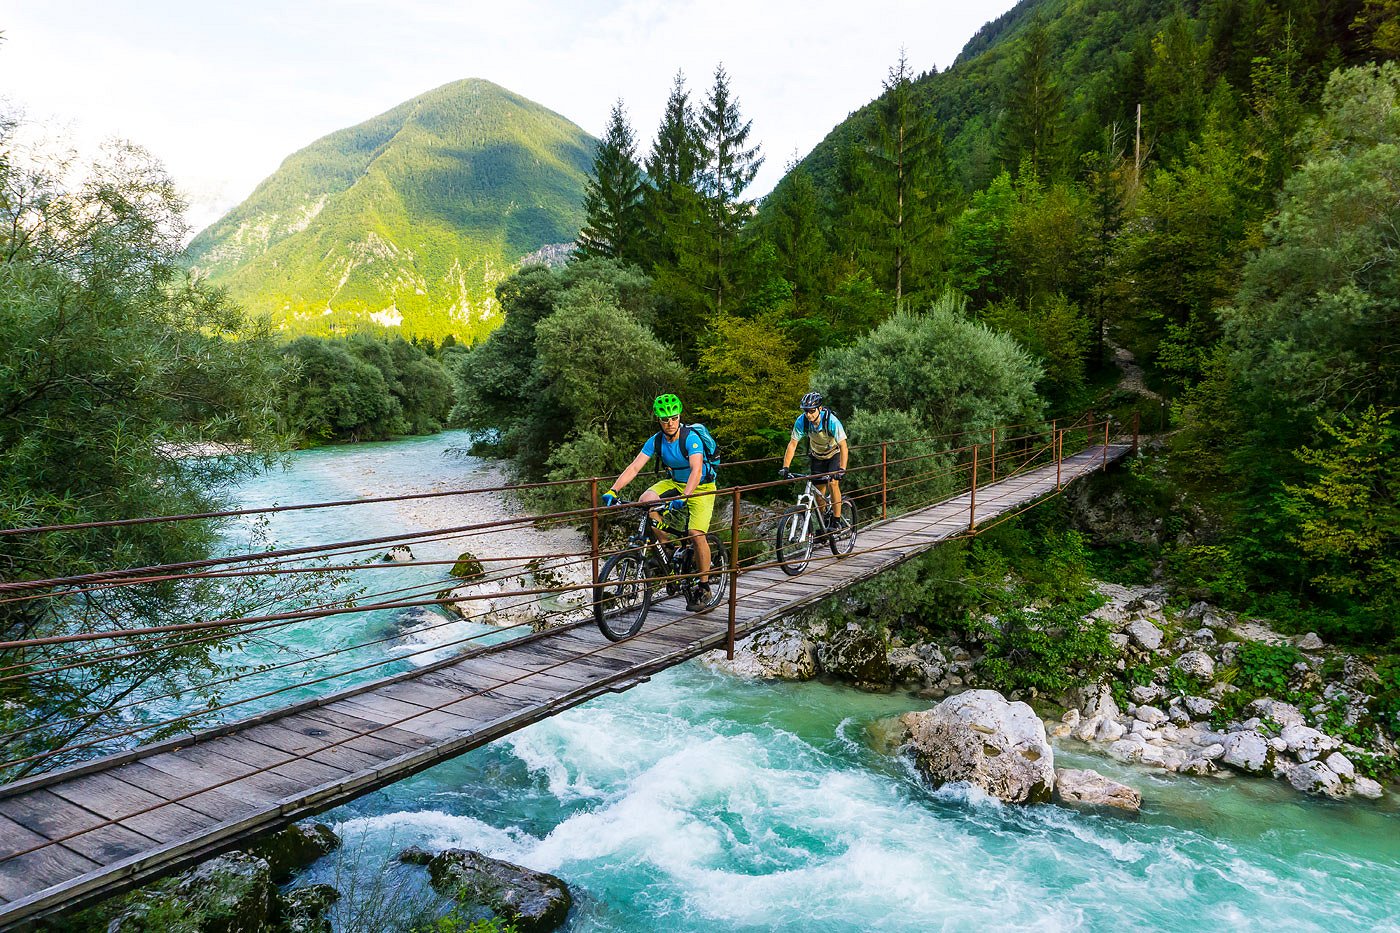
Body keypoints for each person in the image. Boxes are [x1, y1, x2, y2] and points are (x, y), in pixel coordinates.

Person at [601, 394, 718, 612]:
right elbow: (635, 467)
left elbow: (696, 470)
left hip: (701, 486)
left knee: (695, 533)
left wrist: (684, 497)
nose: (670, 423)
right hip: (674, 482)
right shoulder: (656, 440)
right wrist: (613, 489)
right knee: (645, 502)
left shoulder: (690, 438)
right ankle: (668, 547)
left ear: (679, 416)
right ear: (659, 420)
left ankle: (704, 585)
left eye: (673, 418)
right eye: (665, 419)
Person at [779, 391, 849, 529]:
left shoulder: (831, 421)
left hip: (834, 454)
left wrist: (842, 469)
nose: (809, 415)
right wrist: (785, 467)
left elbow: (844, 446)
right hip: (817, 455)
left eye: (812, 411)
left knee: (833, 483)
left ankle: (836, 521)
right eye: (806, 411)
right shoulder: (802, 421)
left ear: (820, 409)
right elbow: (792, 444)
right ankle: (823, 525)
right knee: (819, 493)